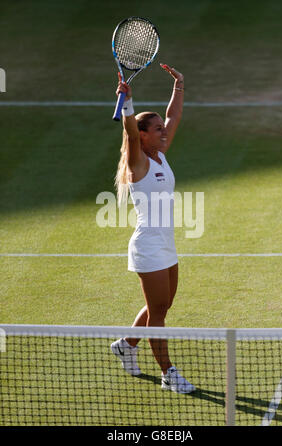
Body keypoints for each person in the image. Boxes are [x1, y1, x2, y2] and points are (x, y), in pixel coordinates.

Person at [111, 64, 195, 394]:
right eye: (157, 128)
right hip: (148, 247)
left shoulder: (159, 154)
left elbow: (174, 118)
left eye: (162, 128)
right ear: (143, 135)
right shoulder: (138, 161)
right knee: (158, 313)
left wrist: (180, 84)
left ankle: (126, 345)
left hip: (166, 243)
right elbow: (130, 133)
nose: (164, 131)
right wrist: (128, 104)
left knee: (161, 306)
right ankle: (168, 373)